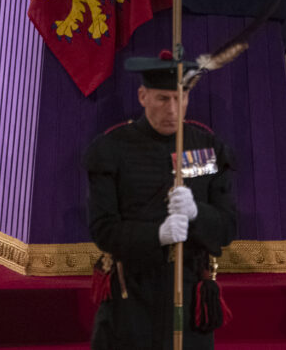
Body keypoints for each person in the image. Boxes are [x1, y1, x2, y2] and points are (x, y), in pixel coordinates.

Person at [84, 52, 237, 350]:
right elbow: (103, 230)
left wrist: (197, 213)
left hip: (189, 289)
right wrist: (157, 235)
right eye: (163, 99)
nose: (173, 109)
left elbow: (228, 227)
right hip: (133, 292)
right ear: (143, 96)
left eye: (181, 98)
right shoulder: (112, 148)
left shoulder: (207, 147)